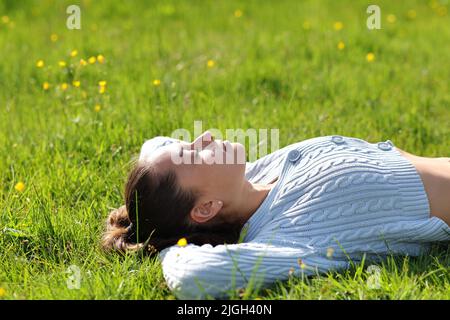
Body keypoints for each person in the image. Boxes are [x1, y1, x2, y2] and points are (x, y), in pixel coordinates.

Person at [101, 131, 450, 299]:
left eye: (187, 143)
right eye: (194, 155)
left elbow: (153, 145)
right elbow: (194, 276)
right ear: (206, 209)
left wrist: (141, 220)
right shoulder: (285, 236)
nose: (204, 138)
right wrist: (160, 244)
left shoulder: (255, 175)